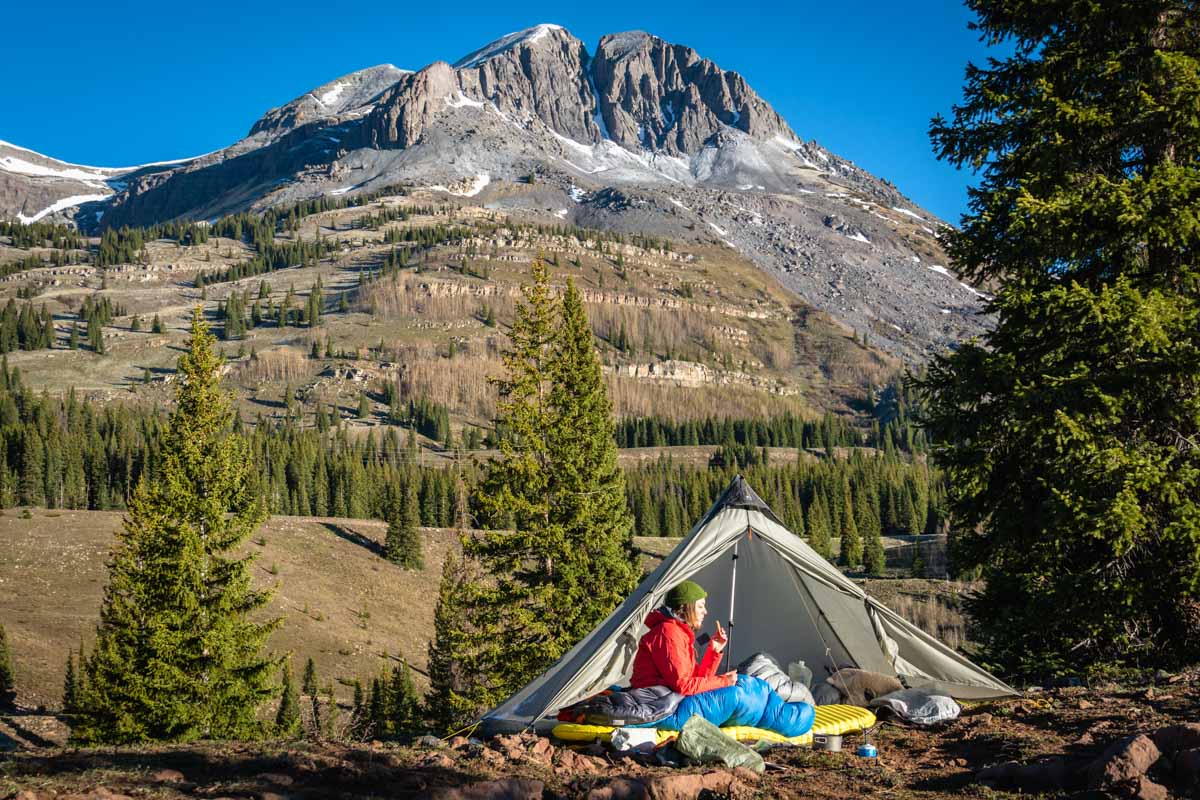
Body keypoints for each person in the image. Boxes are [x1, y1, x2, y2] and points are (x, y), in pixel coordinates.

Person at [630, 580, 738, 695]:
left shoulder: (679, 633)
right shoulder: (668, 632)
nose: (705, 612)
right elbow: (683, 686)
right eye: (701, 606)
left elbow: (697, 681)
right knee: (736, 696)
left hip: (663, 700)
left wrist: (714, 651)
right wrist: (724, 681)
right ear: (685, 607)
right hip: (653, 702)